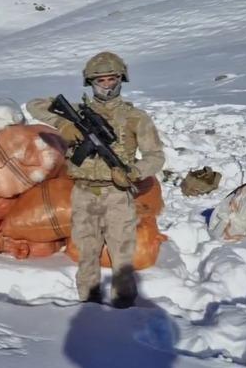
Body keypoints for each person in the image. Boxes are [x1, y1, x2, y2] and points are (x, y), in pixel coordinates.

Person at [27, 52, 164, 308]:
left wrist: (132, 173)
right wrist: (64, 125)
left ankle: (124, 307)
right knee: (87, 253)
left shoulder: (136, 118)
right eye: (101, 80)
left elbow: (156, 157)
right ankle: (88, 305)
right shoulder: (79, 112)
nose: (107, 85)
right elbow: (34, 105)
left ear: (121, 79)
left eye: (112, 79)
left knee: (122, 256)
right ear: (90, 82)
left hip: (117, 194)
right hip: (84, 192)